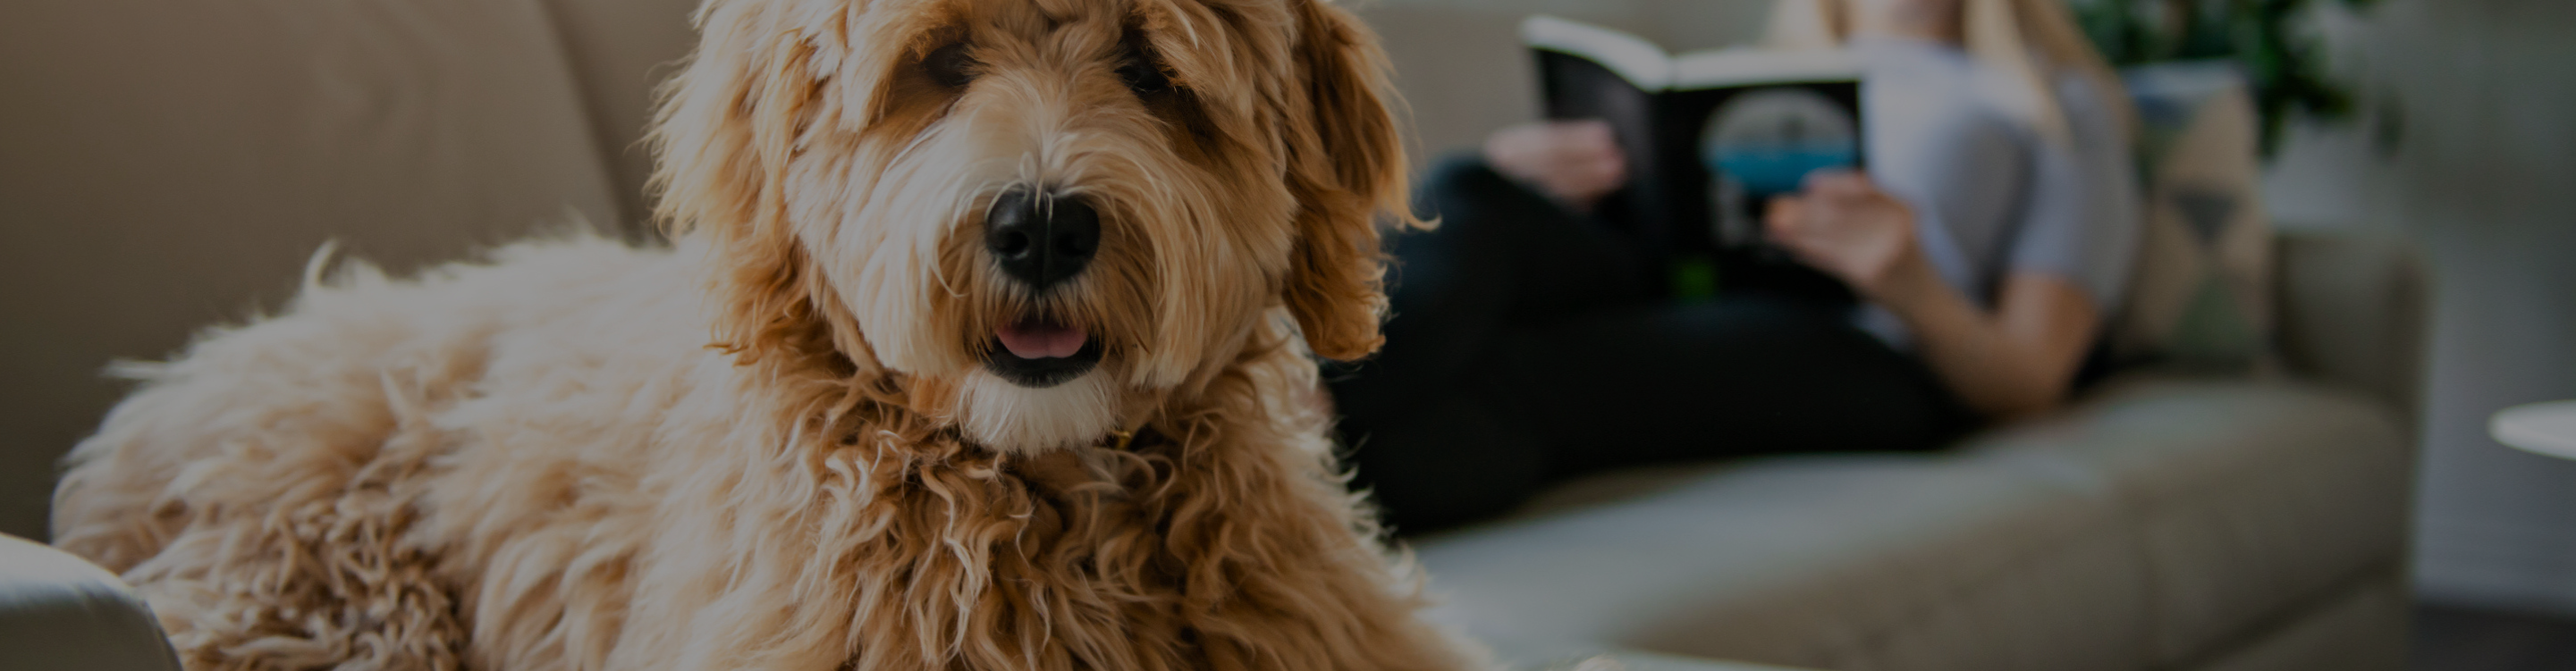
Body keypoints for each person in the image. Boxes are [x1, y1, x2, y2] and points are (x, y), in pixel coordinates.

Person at [1329, 0, 2142, 533]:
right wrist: (1552, 186)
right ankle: (1287, 418)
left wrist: (1911, 283)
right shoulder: (1760, 64)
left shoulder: (2053, 103)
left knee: (1530, 378)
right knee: (1474, 192)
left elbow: (2034, 373)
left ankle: (1254, 458)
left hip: (1869, 344)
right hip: (1681, 279)